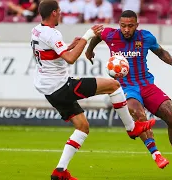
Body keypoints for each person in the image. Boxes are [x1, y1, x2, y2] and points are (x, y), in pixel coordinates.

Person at [31, 1, 155, 180]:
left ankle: (60, 171)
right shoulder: (52, 33)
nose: (60, 14)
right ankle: (131, 128)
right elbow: (71, 59)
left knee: (82, 127)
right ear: (53, 13)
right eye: (59, 12)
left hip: (48, 89)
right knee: (114, 86)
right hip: (60, 85)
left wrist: (70, 46)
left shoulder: (36, 30)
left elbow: (52, 52)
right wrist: (87, 35)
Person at [85, 10, 172, 176]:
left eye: (130, 26)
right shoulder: (110, 34)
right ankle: (156, 154)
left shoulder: (145, 37)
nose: (126, 29)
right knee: (140, 116)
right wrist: (89, 51)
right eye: (123, 26)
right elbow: (97, 35)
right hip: (126, 87)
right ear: (119, 25)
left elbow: (160, 51)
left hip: (146, 85)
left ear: (136, 25)